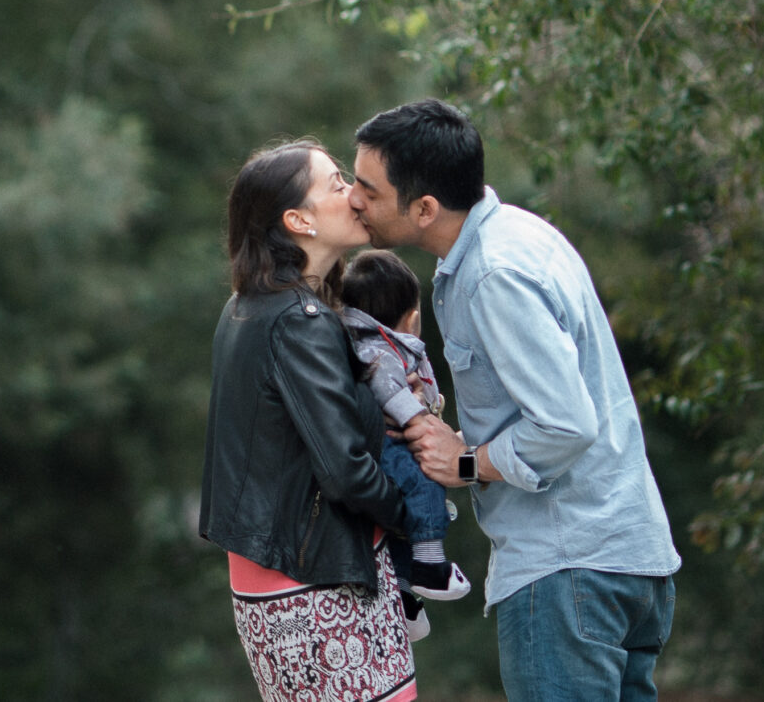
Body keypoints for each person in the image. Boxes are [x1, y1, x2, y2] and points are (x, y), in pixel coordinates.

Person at [350, 101, 681, 702]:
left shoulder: (491, 273)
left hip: (567, 571)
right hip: (628, 561)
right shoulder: (522, 236)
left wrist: (468, 462)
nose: (353, 200)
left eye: (368, 191)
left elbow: (565, 424)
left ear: (424, 208)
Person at [200, 141, 420, 702]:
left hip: (270, 576)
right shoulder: (299, 320)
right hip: (317, 580)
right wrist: (411, 516)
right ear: (298, 221)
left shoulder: (246, 307)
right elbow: (345, 471)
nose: (354, 194)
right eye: (336, 183)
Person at [337, 251, 470, 622]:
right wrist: (421, 423)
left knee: (398, 525)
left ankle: (405, 601)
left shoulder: (358, 344)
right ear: (412, 320)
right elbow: (391, 392)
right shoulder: (380, 352)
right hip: (390, 444)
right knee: (424, 483)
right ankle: (430, 565)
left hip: (378, 445)